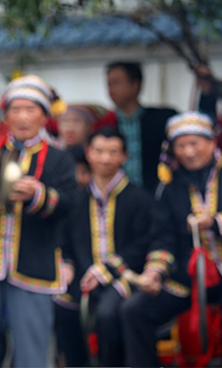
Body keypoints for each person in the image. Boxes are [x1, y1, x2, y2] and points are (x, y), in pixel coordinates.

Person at [0, 75, 76, 367]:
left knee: (32, 351)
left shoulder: (59, 159)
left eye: (30, 109)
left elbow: (70, 205)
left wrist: (39, 195)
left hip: (34, 262)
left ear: (44, 116)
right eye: (16, 109)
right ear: (6, 115)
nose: (22, 117)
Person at [121, 111, 222, 366]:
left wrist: (215, 222)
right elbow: (162, 237)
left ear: (211, 142)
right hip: (186, 278)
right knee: (135, 310)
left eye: (194, 143)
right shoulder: (169, 186)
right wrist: (155, 271)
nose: (188, 152)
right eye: (181, 145)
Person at [54, 127, 153, 367]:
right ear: (88, 153)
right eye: (98, 151)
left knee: (107, 314)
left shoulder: (140, 199)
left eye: (113, 152)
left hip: (125, 276)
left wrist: (106, 269)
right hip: (84, 275)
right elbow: (63, 240)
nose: (105, 158)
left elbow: (144, 243)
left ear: (124, 156)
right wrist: (66, 265)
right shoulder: (77, 199)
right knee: (61, 306)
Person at [104, 61, 177, 193]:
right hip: (118, 196)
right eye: (108, 84)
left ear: (135, 85)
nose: (111, 90)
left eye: (116, 83)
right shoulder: (105, 124)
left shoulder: (162, 120)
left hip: (157, 194)